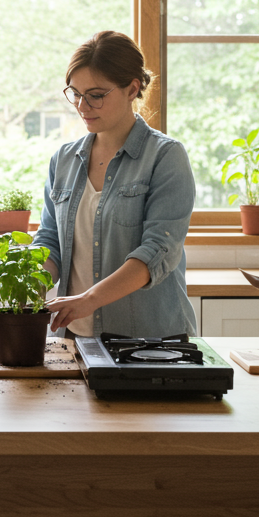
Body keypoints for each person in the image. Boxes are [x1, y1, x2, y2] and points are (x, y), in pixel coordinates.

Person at [33, 30, 197, 338]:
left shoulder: (165, 157)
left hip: (150, 342)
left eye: (96, 95)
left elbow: (157, 251)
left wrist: (89, 300)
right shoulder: (64, 160)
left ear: (132, 89)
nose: (83, 106)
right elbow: (50, 240)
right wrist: (30, 281)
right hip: (74, 339)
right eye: (75, 94)